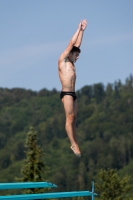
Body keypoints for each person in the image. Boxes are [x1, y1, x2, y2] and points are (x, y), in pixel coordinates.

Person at [58, 20, 87, 157]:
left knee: (74, 118)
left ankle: (75, 142)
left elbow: (77, 45)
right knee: (69, 118)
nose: (78, 57)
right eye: (76, 55)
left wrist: (82, 31)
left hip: (73, 94)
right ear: (70, 54)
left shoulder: (71, 62)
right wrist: (77, 29)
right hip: (66, 93)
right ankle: (73, 144)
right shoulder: (63, 60)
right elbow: (71, 44)